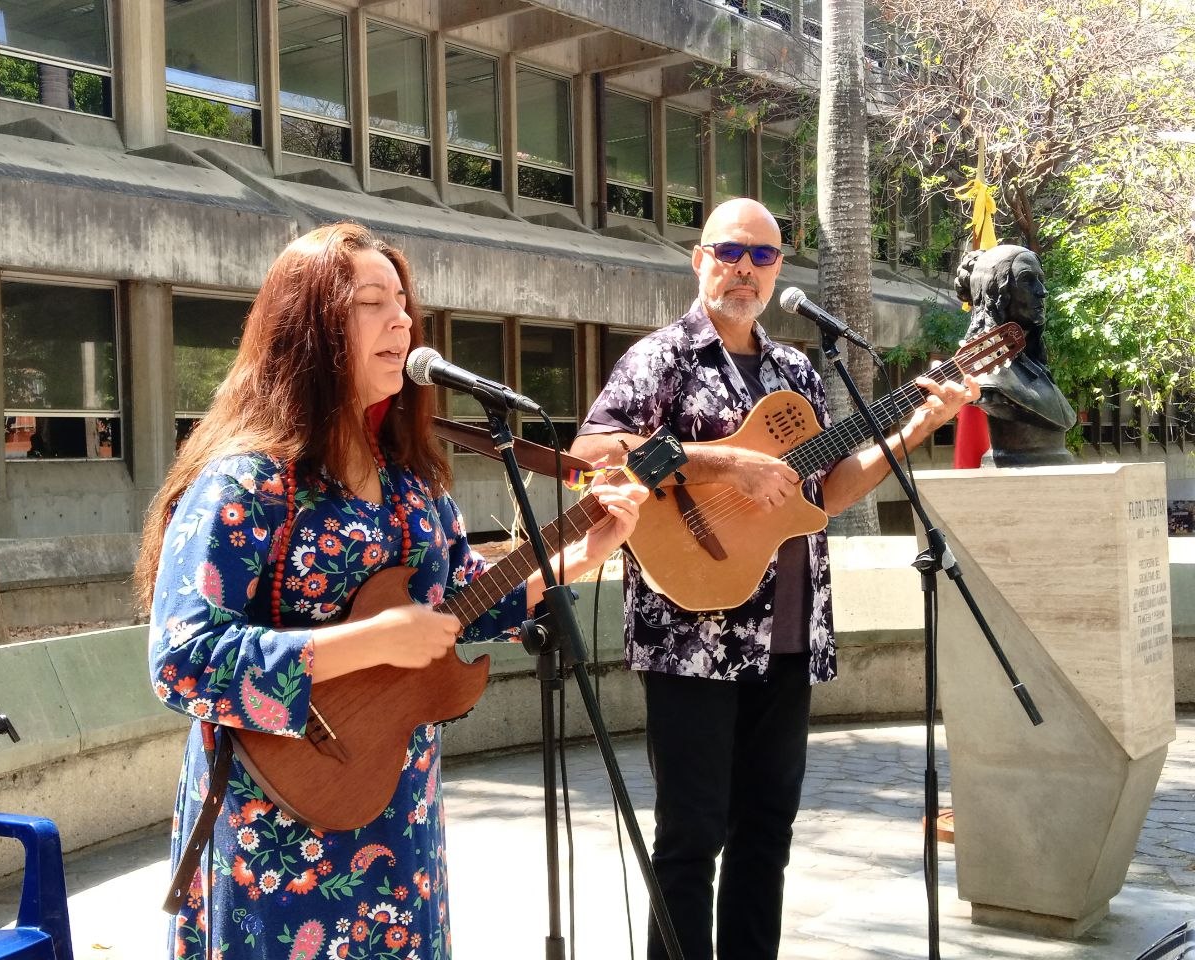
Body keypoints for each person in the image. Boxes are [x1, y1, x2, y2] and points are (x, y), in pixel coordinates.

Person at [135, 222, 647, 960]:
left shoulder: (411, 482)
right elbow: (181, 659)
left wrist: (573, 557)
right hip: (275, 826)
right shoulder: (244, 483)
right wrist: (369, 641)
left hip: (397, 812)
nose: (401, 320)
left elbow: (458, 600)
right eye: (370, 302)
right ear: (307, 331)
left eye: (403, 303)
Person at [569, 198, 979, 960]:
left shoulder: (797, 370)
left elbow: (820, 493)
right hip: (691, 632)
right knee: (691, 838)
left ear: (779, 269)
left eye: (761, 257)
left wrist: (919, 423)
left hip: (788, 635)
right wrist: (724, 460)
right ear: (699, 258)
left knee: (766, 834)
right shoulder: (661, 358)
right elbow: (593, 454)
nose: (744, 270)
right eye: (729, 251)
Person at [956, 244, 1076, 466]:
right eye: (1027, 280)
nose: (1042, 291)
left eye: (1041, 280)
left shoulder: (1035, 367)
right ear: (996, 294)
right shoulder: (988, 379)